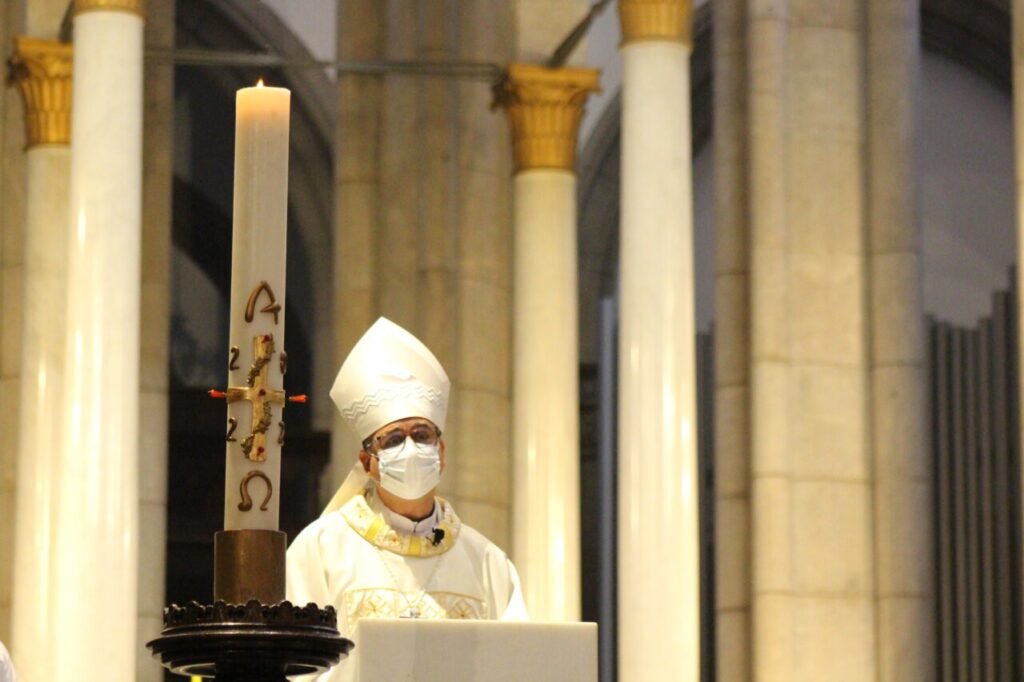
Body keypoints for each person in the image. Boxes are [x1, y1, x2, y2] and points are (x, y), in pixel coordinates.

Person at [286, 317, 527, 681]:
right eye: (394, 440)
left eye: (421, 434)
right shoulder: (319, 551)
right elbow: (294, 670)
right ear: (367, 461)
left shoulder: (488, 564)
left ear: (441, 451)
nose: (412, 447)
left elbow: (519, 667)